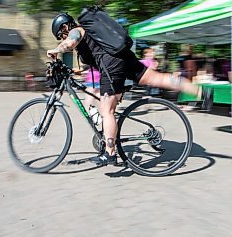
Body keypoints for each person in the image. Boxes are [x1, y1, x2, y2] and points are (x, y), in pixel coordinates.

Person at [47, 12, 201, 167]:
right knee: (157, 78)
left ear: (65, 26)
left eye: (61, 35)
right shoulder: (90, 34)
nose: (62, 39)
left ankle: (110, 154)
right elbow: (93, 57)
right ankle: (199, 91)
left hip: (112, 66)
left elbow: (70, 42)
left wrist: (57, 49)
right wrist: (75, 71)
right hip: (124, 58)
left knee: (107, 111)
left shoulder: (77, 31)